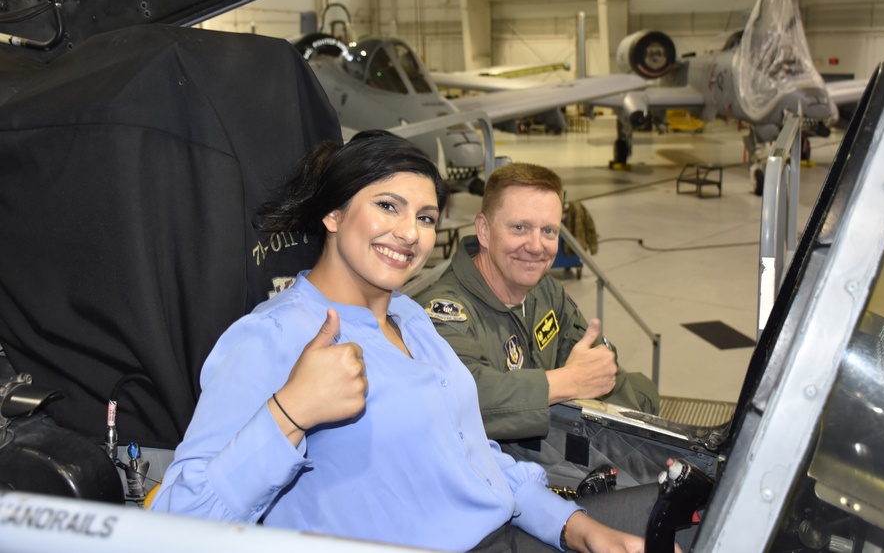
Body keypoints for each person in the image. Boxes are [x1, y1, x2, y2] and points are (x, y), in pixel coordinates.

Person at [151, 131, 673, 553]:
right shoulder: (273, 336)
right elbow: (175, 526)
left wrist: (572, 525)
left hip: (505, 529)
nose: (410, 233)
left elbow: (475, 456)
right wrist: (289, 413)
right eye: (388, 206)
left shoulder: (410, 317)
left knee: (690, 511)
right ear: (332, 215)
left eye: (424, 217)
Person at [416, 162, 664, 489]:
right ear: (484, 230)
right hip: (486, 481)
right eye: (519, 228)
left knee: (643, 394)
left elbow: (594, 368)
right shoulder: (444, 312)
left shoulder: (544, 291)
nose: (536, 246)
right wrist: (568, 381)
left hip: (549, 459)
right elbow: (465, 397)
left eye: (548, 231)